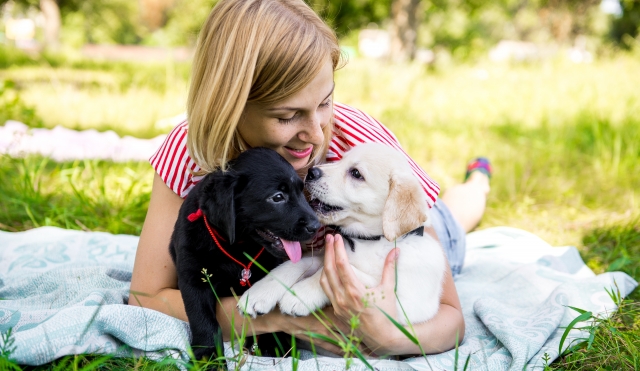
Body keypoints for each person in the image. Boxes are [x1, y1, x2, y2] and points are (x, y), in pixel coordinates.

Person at [128, 0, 491, 357]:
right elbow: (146, 298)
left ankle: (478, 180)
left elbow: (450, 319)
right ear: (230, 105)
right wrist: (280, 319)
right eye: (288, 116)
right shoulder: (190, 154)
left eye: (325, 102)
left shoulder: (358, 144)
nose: (316, 133)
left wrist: (392, 338)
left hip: (398, 232)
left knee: (453, 218)